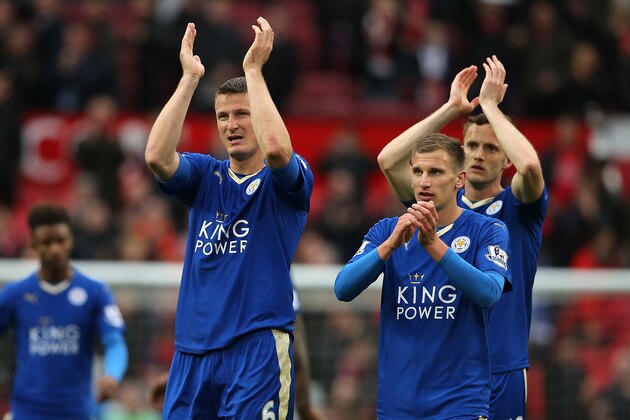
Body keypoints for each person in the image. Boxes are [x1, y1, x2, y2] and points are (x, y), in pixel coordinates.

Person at [144, 17, 314, 419]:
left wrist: (253, 72)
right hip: (192, 351)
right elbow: (156, 157)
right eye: (223, 117)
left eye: (242, 114)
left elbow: (276, 151)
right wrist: (189, 79)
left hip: (255, 347)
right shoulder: (206, 175)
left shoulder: (288, 180)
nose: (232, 125)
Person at [377, 55, 547, 419]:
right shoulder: (439, 205)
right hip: (447, 374)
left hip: (501, 367)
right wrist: (451, 108)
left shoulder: (518, 206)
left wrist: (489, 106)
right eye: (471, 146)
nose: (478, 156)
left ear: (506, 159)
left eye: (491, 148)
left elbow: (531, 166)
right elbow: (389, 161)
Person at [335, 133, 512, 418]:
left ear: (459, 179)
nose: (424, 181)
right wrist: (389, 246)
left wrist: (433, 245)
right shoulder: (387, 231)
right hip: (398, 404)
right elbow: (343, 288)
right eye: (418, 171)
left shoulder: (488, 230)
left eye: (436, 171)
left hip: (460, 403)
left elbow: (489, 293)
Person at [0, 203, 128, 419]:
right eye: (46, 242)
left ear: (71, 240)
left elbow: (115, 342)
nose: (55, 249)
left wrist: (112, 376)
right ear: (33, 242)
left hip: (76, 411)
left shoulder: (95, 292)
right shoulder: (15, 294)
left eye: (60, 240)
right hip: (27, 411)